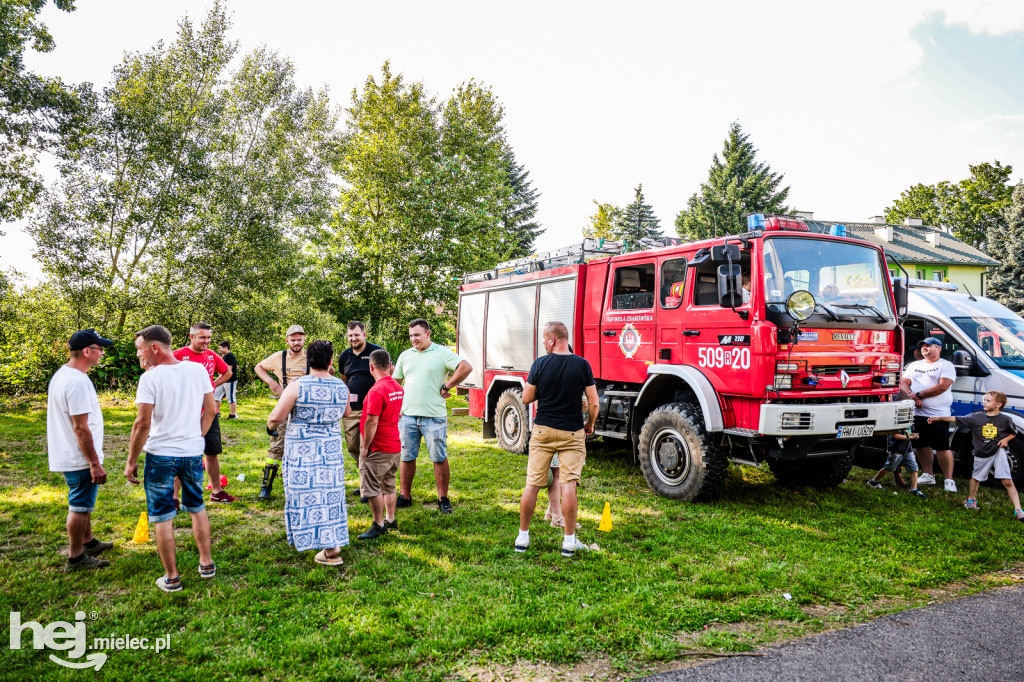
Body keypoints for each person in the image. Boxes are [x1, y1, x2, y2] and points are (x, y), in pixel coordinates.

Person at [125, 325, 217, 593]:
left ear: (155, 347)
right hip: (190, 452)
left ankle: (172, 578)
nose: (139, 355)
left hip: (161, 456)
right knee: (197, 507)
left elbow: (142, 424)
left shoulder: (151, 378)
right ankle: (206, 564)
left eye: (140, 349)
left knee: (163, 516)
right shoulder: (197, 370)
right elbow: (211, 409)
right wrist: (196, 436)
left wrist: (131, 460)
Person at [515, 321, 600, 558]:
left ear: (552, 340)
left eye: (544, 339)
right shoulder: (582, 364)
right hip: (572, 432)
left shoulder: (540, 364)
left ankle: (522, 538)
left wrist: (545, 387)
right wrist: (589, 425)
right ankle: (569, 542)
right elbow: (593, 402)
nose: (544, 343)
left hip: (542, 431)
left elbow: (526, 397)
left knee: (532, 484)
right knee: (568, 485)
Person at [267, 340, 351, 565]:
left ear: (307, 362)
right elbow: (347, 412)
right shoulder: (341, 387)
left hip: (302, 454)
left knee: (305, 496)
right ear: (331, 361)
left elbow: (276, 417)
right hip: (331, 453)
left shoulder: (298, 385)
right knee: (330, 496)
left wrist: (269, 427)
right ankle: (332, 539)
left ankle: (327, 546)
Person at [47, 329, 115, 572]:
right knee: (79, 505)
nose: (102, 353)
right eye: (99, 349)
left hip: (71, 453)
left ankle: (89, 542)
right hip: (79, 457)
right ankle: (76, 557)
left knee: (85, 502)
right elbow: (80, 428)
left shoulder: (64, 375)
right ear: (87, 351)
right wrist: (94, 462)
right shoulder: (76, 382)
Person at [392, 318, 472, 514]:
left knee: (439, 457)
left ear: (428, 334)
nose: (413, 339)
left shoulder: (442, 352)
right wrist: (396, 408)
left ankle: (443, 498)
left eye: (417, 335)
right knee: (407, 457)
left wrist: (447, 385)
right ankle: (405, 496)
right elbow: (396, 383)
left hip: (433, 416)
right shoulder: (406, 355)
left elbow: (466, 367)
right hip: (408, 416)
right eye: (411, 336)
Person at [929, 391, 1024, 520]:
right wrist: (938, 418)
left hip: (998, 451)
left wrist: (1006, 440)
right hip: (981, 454)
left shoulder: (1005, 419)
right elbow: (956, 418)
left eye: (988, 401)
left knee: (1007, 480)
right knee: (976, 478)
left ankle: (1018, 510)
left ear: (998, 404)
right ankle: (971, 500)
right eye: (984, 400)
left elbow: (1014, 432)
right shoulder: (976, 417)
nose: (984, 402)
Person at [173, 322, 236, 503]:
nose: (206, 341)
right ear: (192, 337)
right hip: (185, 415)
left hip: (209, 412)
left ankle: (216, 492)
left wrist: (211, 386)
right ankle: (174, 498)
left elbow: (227, 372)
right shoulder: (177, 355)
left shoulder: (211, 355)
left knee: (211, 452)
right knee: (182, 454)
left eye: (209, 338)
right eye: (202, 337)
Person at [254, 325, 313, 500]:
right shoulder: (279, 357)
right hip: (285, 405)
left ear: (304, 340)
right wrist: (271, 382)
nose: (296, 342)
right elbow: (258, 367)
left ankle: (305, 484)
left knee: (307, 447)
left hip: (307, 407)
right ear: (287, 340)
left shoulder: (311, 356)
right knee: (277, 445)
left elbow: (328, 371)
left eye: (299, 339)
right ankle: (266, 487)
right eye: (293, 339)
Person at [356, 349, 404, 539]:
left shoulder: (377, 390)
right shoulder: (397, 387)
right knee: (389, 484)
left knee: (372, 486)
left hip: (379, 446)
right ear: (390, 366)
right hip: (394, 445)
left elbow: (372, 421)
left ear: (371, 367)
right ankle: (391, 520)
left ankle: (378, 524)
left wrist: (366, 446)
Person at [900, 337, 957, 492]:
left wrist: (918, 395)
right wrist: (912, 395)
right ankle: (928, 474)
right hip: (918, 413)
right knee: (921, 444)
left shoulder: (946, 365)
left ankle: (949, 479)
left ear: (938, 348)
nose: (924, 348)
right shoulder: (914, 365)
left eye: (928, 346)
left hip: (938, 413)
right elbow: (904, 383)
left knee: (942, 446)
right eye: (922, 346)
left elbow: (942, 386)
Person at [338, 321, 382, 501]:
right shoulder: (344, 356)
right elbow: (344, 380)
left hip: (371, 410)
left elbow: (389, 374)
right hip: (351, 410)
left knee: (367, 448)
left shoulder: (375, 352)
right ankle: (365, 479)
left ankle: (368, 488)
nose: (353, 338)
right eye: (350, 335)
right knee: (353, 446)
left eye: (356, 335)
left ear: (364, 334)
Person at [866, 428, 928, 498]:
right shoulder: (897, 421)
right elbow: (895, 436)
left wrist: (914, 435)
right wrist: (909, 437)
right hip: (897, 450)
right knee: (889, 468)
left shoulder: (909, 420)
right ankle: (874, 481)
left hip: (908, 450)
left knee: (914, 468)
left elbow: (909, 432)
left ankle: (913, 489)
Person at [215, 340, 239, 419]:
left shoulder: (230, 356)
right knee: (216, 396)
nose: (220, 350)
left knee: (231, 398)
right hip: (222, 380)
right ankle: (216, 413)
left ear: (226, 348)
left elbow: (229, 369)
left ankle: (232, 415)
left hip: (230, 380)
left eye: (221, 348)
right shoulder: (224, 356)